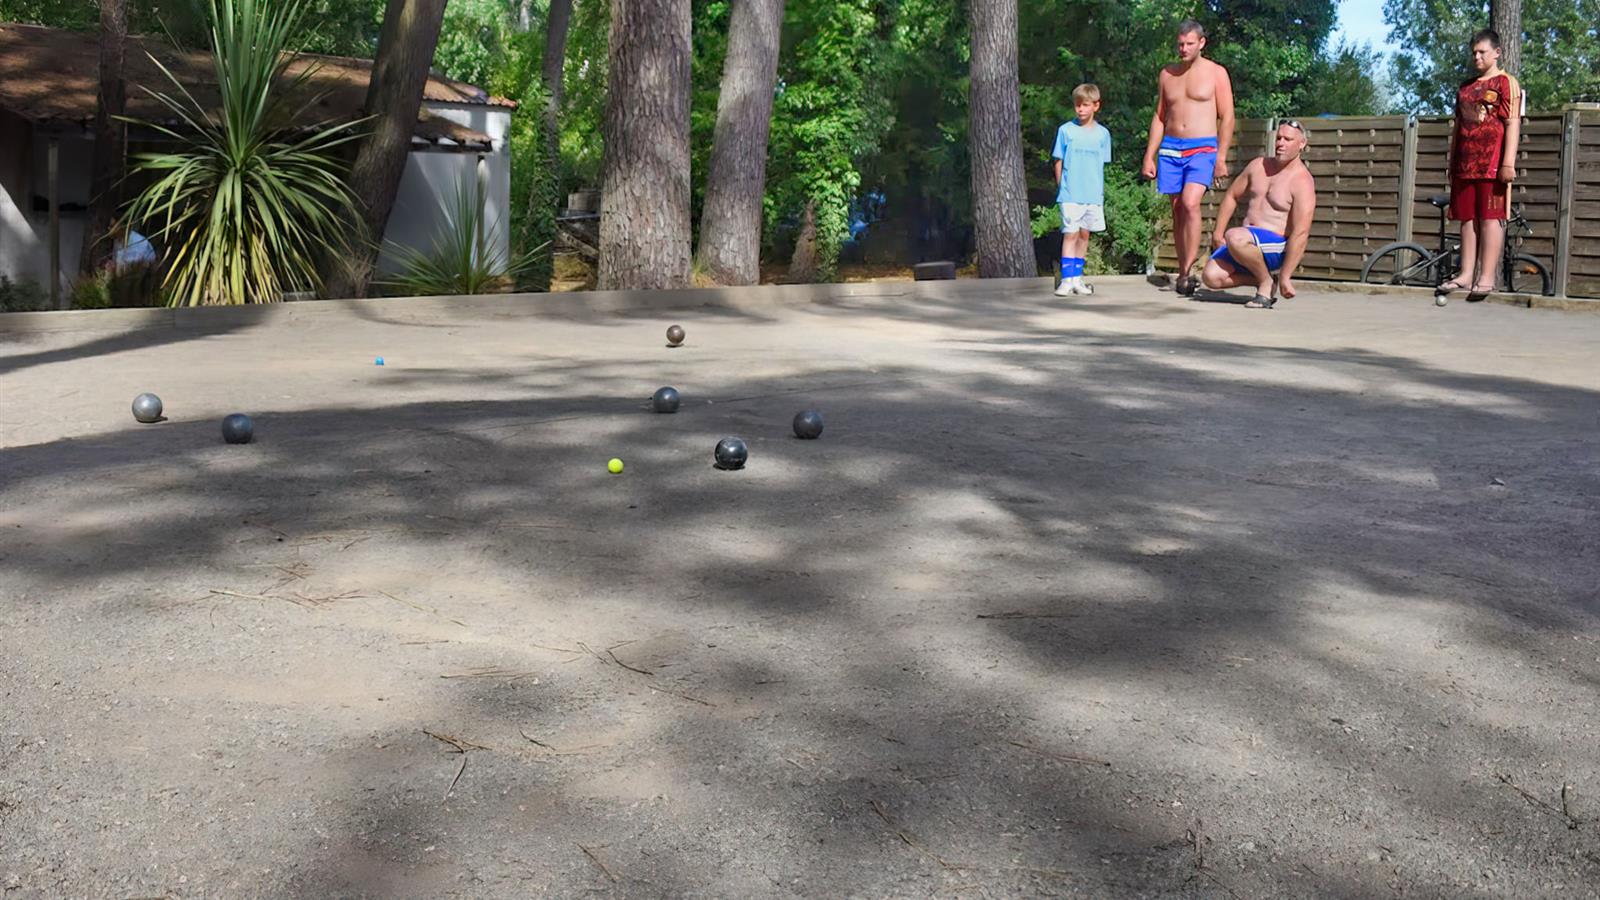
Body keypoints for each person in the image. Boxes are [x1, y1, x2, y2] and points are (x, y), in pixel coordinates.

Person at [1141, 19, 1234, 297]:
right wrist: (1150, 155)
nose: (1183, 48)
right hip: (1170, 147)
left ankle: (1186, 270)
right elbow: (1160, 116)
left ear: (1201, 43)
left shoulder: (1217, 73)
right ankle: (1184, 270)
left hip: (1202, 147)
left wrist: (1221, 157)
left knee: (1192, 203)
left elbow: (1227, 116)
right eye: (1180, 44)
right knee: (1178, 209)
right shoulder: (1167, 74)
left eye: (1189, 43)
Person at [1438, 28, 1522, 297]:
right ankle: (1466, 273)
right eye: (1474, 52)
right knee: (1466, 219)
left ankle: (1486, 277)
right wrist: (1453, 162)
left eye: (1482, 52)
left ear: (1496, 53)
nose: (1477, 56)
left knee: (1490, 218)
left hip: (1492, 164)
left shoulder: (1506, 83)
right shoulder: (1465, 87)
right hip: (1465, 163)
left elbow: (1512, 123)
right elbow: (1458, 126)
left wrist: (1508, 163)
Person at [1199, 120, 1316, 309]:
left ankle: (1266, 284)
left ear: (1301, 144)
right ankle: (1264, 279)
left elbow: (1301, 232)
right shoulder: (1258, 166)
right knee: (1211, 277)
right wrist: (1218, 233)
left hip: (1275, 246)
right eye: (1279, 138)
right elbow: (1232, 195)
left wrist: (1287, 275)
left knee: (1234, 236)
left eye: (1288, 139)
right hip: (1246, 242)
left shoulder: (1302, 181)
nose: (1281, 143)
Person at [1050, 83, 1112, 297]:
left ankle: (1077, 278)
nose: (1080, 110)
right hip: (1070, 193)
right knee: (1070, 234)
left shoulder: (1103, 134)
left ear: (1096, 106)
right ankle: (1066, 279)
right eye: (1077, 105)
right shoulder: (1065, 131)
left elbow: (1101, 163)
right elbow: (1058, 160)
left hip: (1092, 194)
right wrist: (1062, 186)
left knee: (1084, 235)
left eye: (1085, 105)